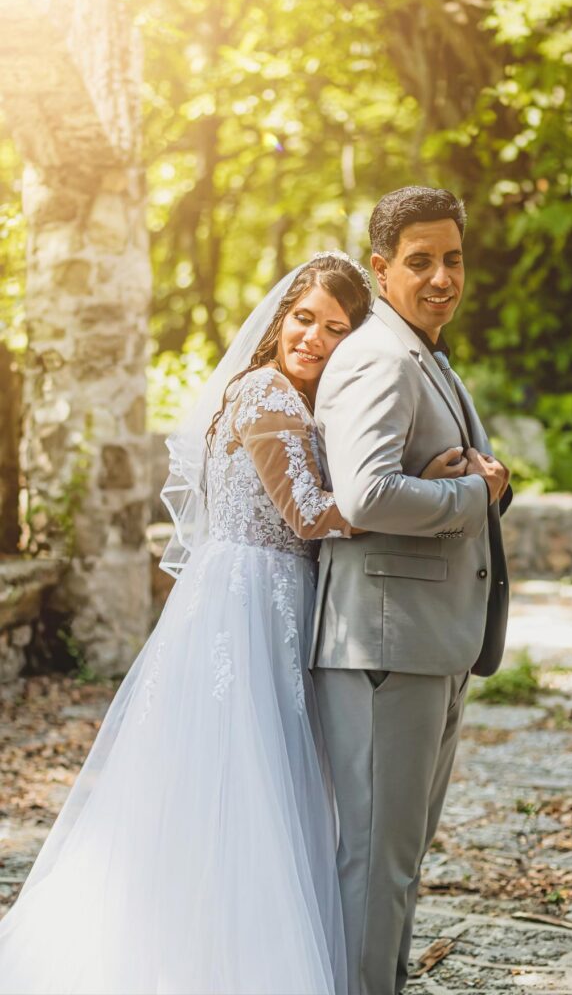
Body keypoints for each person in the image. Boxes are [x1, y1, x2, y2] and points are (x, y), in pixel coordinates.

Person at [0, 253, 373, 995]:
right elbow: (307, 513)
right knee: (242, 771)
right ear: (280, 317)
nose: (315, 339)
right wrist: (422, 497)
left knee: (263, 774)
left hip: (271, 596)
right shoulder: (266, 391)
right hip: (248, 600)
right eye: (305, 319)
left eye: (337, 329)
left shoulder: (302, 399)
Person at [310, 187, 513, 995]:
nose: (441, 278)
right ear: (380, 269)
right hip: (383, 646)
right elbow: (365, 497)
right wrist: (473, 498)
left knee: (397, 858)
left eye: (452, 259)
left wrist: (480, 483)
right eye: (419, 261)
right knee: (377, 861)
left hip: (428, 639)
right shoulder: (378, 357)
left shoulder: (423, 353)